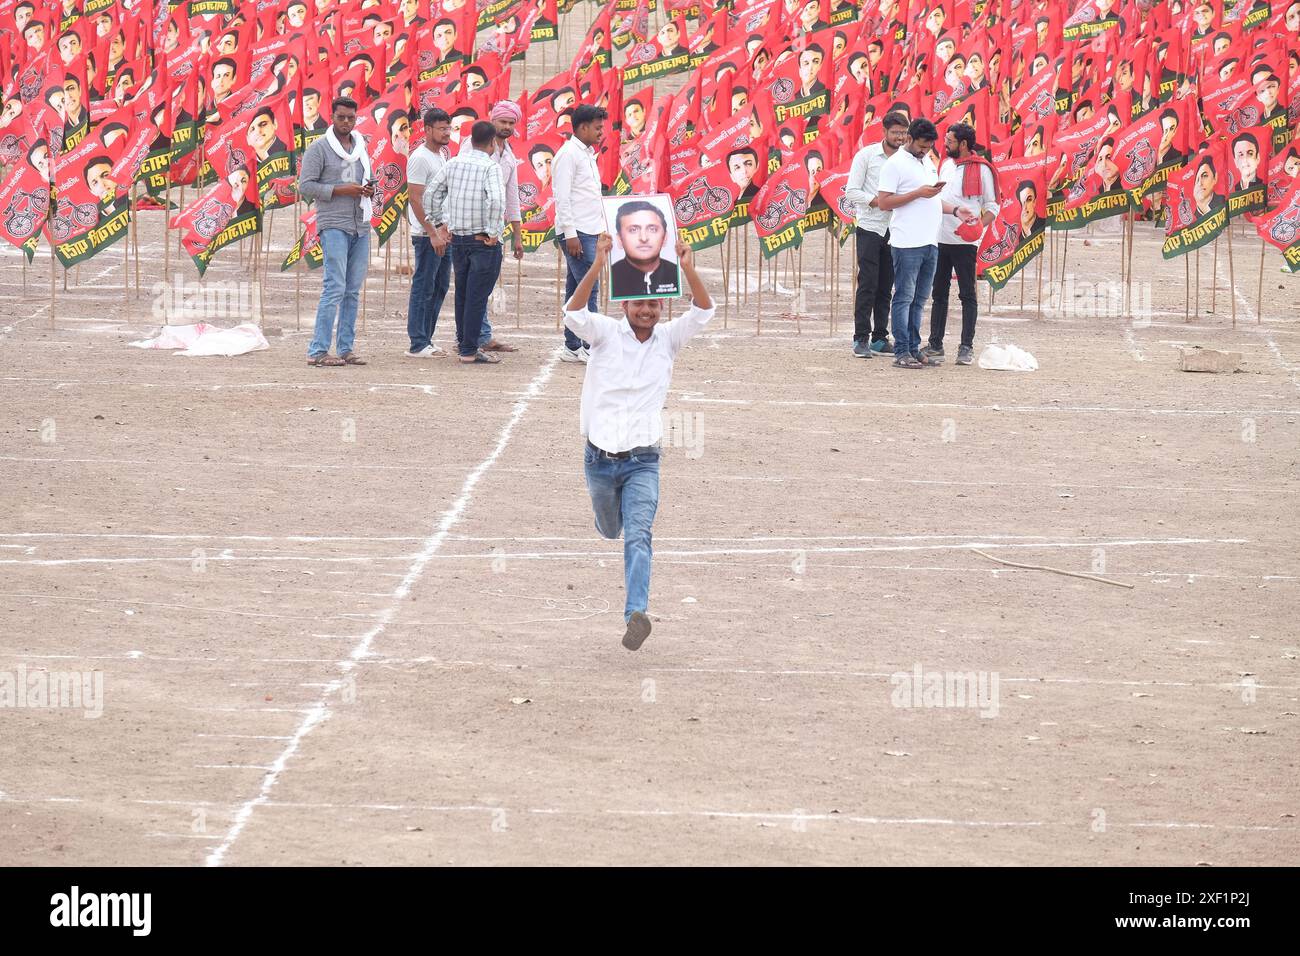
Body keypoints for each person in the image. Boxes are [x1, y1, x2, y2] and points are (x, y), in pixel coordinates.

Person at [563, 233, 715, 650]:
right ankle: (606, 520)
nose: (645, 311)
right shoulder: (606, 333)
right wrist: (597, 265)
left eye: (652, 305)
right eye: (638, 304)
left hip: (643, 459)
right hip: (599, 457)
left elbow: (703, 310)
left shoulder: (669, 340)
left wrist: (687, 268)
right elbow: (573, 311)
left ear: (661, 306)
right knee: (611, 527)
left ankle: (635, 612)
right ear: (624, 304)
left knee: (639, 535)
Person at [875, 117, 973, 369]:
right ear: (909, 139)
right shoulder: (895, 164)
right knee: (904, 297)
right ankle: (901, 351)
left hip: (930, 241)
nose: (925, 151)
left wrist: (955, 210)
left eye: (929, 147)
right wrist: (917, 193)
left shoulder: (928, 162)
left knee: (919, 299)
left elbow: (930, 200)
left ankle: (913, 347)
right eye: (921, 146)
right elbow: (884, 202)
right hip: (907, 242)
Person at [297, 96, 374, 367]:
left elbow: (366, 179)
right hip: (333, 223)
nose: (346, 122)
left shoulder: (361, 147)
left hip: (360, 224)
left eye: (351, 118)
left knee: (352, 290)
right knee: (334, 287)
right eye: (341, 117)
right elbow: (305, 186)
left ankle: (345, 348)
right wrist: (342, 190)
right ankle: (318, 350)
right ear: (332, 117)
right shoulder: (319, 149)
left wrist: (367, 189)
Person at [425, 120, 507, 365]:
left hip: (459, 239)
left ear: (471, 140)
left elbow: (432, 194)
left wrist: (440, 223)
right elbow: (496, 201)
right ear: (492, 142)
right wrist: (493, 231)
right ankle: (469, 349)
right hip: (482, 241)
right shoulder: (491, 167)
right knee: (477, 296)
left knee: (463, 293)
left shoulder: (454, 163)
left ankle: (465, 344)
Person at [924, 123, 997, 367]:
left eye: (950, 141)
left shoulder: (983, 170)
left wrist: (977, 227)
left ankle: (966, 346)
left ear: (964, 144)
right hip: (939, 237)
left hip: (965, 243)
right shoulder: (944, 164)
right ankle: (935, 345)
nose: (945, 145)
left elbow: (992, 207)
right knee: (938, 293)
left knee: (967, 294)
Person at [458, 100, 524, 354]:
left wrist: (516, 235)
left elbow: (511, 196)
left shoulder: (508, 153)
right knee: (472, 287)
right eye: (502, 122)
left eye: (510, 123)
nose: (506, 127)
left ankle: (479, 336)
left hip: (494, 230)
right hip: (471, 226)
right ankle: (470, 339)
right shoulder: (471, 148)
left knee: (482, 286)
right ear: (492, 121)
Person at [844, 111, 909, 357]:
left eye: (904, 133)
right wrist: (875, 201)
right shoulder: (867, 156)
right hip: (871, 227)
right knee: (868, 283)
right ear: (884, 132)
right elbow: (851, 190)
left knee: (887, 285)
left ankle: (880, 337)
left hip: (897, 229)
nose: (900, 138)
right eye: (896, 133)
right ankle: (860, 337)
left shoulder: (908, 159)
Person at [552, 104, 608, 363]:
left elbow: (589, 196)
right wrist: (570, 234)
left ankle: (572, 345)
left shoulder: (586, 154)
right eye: (597, 128)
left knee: (576, 288)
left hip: (590, 230)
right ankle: (591, 345)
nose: (601, 132)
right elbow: (562, 198)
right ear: (582, 127)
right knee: (589, 289)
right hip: (577, 232)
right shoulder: (568, 155)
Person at [405, 107, 452, 358]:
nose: (447, 133)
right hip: (427, 236)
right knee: (423, 286)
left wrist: (445, 227)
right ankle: (418, 342)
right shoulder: (420, 158)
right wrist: (432, 232)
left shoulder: (442, 155)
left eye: (448, 128)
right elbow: (415, 199)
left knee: (440, 285)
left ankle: (427, 339)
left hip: (443, 232)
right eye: (442, 128)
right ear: (427, 129)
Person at [609, 199, 679, 298]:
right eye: (633, 230)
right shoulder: (614, 276)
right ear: (619, 239)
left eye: (652, 229)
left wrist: (688, 268)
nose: (644, 238)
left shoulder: (674, 273)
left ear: (665, 237)